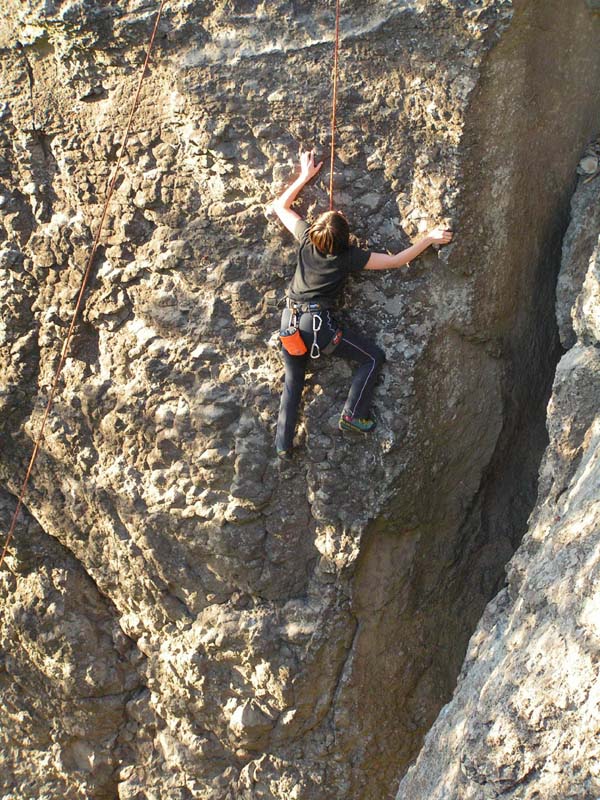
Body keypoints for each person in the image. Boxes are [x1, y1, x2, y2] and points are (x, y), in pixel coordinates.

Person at [270, 149, 453, 459]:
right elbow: (396, 261)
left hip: (290, 322)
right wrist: (428, 239)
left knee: (293, 381)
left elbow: (280, 206)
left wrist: (304, 176)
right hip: (318, 328)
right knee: (372, 356)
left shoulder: (305, 237)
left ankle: (282, 445)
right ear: (345, 240)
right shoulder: (349, 258)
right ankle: (354, 414)